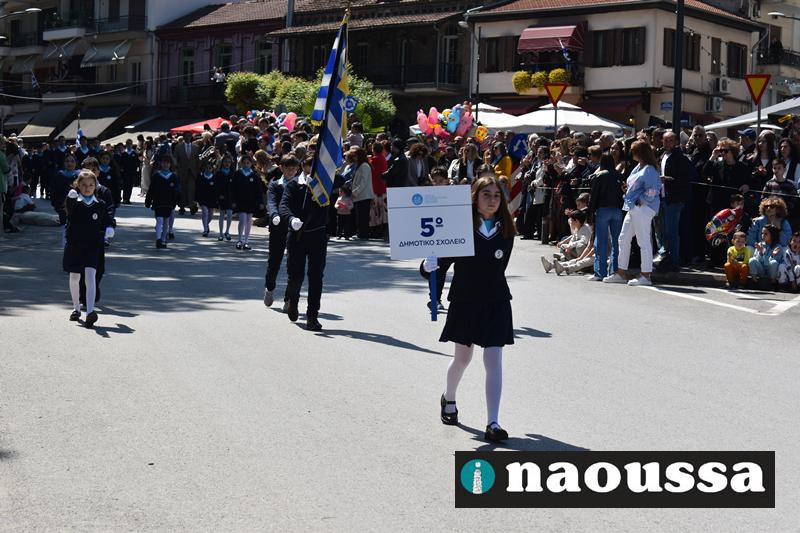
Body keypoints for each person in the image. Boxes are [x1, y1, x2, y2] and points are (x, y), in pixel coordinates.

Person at [422, 175, 515, 442]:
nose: (492, 200)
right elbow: (441, 265)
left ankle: (493, 422)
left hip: (496, 300)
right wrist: (428, 266)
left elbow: (500, 267)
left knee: (494, 360)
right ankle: (449, 398)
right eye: (486, 194)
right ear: (475, 198)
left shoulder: (506, 229)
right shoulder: (459, 228)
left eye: (496, 195)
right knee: (462, 359)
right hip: (465, 300)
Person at [279, 162, 331, 332]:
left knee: (316, 277)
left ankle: (312, 316)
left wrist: (316, 187)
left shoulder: (324, 185)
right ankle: (293, 301)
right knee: (295, 275)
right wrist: (291, 219)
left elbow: (339, 183)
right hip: (297, 235)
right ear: (303, 166)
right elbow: (284, 205)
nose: (312, 170)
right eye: (309, 166)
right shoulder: (294, 184)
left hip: (318, 235)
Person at [603, 140, 661, 286]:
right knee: (623, 239)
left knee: (643, 241)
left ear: (640, 153)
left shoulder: (649, 169)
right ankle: (621, 273)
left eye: (633, 151)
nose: (631, 153)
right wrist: (628, 191)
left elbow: (653, 190)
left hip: (642, 208)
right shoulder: (639, 167)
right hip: (634, 207)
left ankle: (646, 275)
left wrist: (641, 200)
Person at [63, 170, 109, 328]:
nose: (87, 188)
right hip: (75, 244)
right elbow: (68, 213)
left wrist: (110, 227)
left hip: (92, 245)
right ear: (78, 185)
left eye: (91, 185)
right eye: (83, 185)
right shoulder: (74, 201)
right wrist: (70, 199)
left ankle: (90, 311)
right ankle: (76, 308)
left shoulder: (100, 204)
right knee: (74, 277)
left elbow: (105, 220)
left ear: (95, 186)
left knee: (90, 277)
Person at [264, 155, 301, 309]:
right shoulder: (275, 185)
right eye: (288, 168)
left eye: (294, 168)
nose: (291, 171)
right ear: (281, 168)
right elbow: (272, 202)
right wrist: (274, 215)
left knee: (293, 265)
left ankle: (289, 299)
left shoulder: (301, 185)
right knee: (274, 261)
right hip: (277, 226)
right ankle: (270, 288)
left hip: (295, 228)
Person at [587, 153, 624, 281]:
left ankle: (600, 272)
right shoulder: (619, 175)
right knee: (616, 242)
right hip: (617, 210)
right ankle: (614, 271)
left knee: (601, 242)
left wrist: (590, 213)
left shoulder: (600, 175)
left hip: (603, 209)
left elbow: (594, 196)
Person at [659, 131, 692, 271]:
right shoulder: (663, 155)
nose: (667, 143)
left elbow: (685, 180)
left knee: (672, 231)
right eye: (665, 140)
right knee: (665, 231)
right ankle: (667, 258)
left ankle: (674, 261)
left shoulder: (681, 158)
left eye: (670, 140)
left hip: (674, 199)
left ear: (677, 142)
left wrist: (667, 179)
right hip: (663, 197)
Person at [230, 153, 264, 251]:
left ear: (251, 164)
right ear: (241, 163)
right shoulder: (237, 174)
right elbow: (232, 189)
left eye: (248, 163)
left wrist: (260, 202)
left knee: (249, 221)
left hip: (251, 202)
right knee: (242, 219)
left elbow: (258, 190)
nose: (246, 164)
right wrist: (233, 201)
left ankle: (246, 241)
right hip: (240, 201)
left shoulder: (254, 175)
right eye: (244, 163)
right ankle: (239, 240)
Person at [145, 155, 180, 249]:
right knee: (159, 220)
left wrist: (177, 201)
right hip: (158, 201)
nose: (166, 164)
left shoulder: (173, 176)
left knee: (166, 222)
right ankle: (158, 239)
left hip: (169, 202)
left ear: (170, 164)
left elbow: (177, 190)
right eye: (164, 162)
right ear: (161, 163)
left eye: (168, 162)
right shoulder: (156, 175)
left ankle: (163, 239)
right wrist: (148, 200)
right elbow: (151, 189)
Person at [349, 147, 373, 239]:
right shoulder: (361, 165)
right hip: (360, 195)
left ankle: (363, 233)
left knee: (363, 216)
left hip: (364, 195)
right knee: (360, 215)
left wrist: (355, 192)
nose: (354, 158)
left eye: (355, 156)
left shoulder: (364, 166)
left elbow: (363, 182)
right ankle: (361, 233)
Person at [748, 224, 782, 289]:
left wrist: (772, 255)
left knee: (774, 262)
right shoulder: (760, 245)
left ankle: (773, 283)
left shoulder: (778, 247)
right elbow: (757, 260)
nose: (763, 235)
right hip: (761, 270)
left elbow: (771, 263)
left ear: (772, 235)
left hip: (770, 271)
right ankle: (754, 281)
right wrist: (761, 252)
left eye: (765, 234)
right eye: (762, 233)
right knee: (752, 260)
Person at [173, 131, 199, 216]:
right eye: (186, 136)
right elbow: (175, 158)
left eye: (189, 136)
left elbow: (197, 160)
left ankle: (191, 206)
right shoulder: (178, 147)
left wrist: (198, 171)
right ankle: (182, 207)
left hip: (192, 172)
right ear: (183, 137)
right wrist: (175, 168)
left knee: (191, 190)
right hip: (182, 171)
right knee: (182, 190)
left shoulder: (195, 147)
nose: (188, 137)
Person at [215, 153, 235, 241]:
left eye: (229, 162)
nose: (227, 164)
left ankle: (227, 231)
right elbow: (216, 186)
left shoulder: (233, 173)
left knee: (230, 214)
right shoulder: (219, 173)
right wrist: (219, 195)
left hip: (230, 196)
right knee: (222, 214)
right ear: (222, 162)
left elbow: (235, 187)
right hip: (222, 196)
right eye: (226, 162)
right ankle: (220, 233)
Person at [195, 158, 217, 237]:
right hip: (202, 199)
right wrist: (196, 199)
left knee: (210, 216)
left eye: (210, 168)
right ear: (204, 168)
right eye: (207, 168)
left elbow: (216, 190)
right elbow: (197, 189)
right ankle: (205, 230)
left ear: (212, 169)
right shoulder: (200, 177)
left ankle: (206, 224)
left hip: (211, 199)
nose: (208, 169)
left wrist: (216, 199)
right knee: (205, 212)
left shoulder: (214, 178)